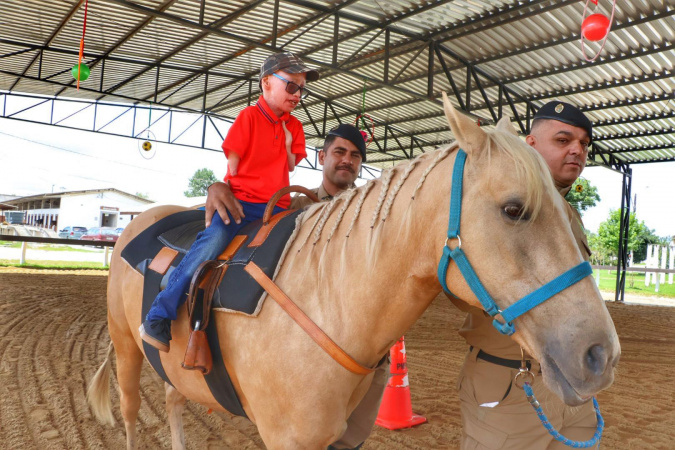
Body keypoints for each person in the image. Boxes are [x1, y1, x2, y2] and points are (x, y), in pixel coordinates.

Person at [205, 124, 383, 450]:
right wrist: (217, 186)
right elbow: (248, 219)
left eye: (355, 155)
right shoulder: (294, 207)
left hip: (366, 347)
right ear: (322, 157)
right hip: (307, 348)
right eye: (340, 152)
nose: (347, 160)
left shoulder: (373, 211)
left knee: (350, 437)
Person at [140, 52, 319, 352]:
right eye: (291, 86)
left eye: (302, 89)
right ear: (266, 84)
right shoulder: (248, 117)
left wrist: (287, 140)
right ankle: (159, 314)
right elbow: (233, 166)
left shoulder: (296, 127)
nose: (297, 94)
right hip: (241, 204)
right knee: (211, 244)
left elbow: (290, 165)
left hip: (277, 208)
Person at [456, 101, 596, 449]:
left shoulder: (568, 216)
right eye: (563, 140)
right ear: (530, 145)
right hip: (510, 383)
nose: (577, 150)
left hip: (570, 383)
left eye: (583, 143)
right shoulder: (495, 207)